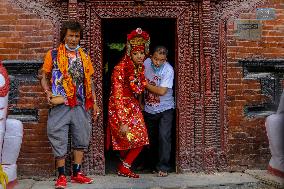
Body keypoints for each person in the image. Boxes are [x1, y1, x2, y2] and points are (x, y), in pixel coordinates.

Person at [40, 20, 99, 189]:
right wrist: (47, 92)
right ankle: (61, 175)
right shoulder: (53, 54)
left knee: (81, 136)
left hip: (81, 102)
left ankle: (77, 173)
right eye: (70, 36)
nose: (73, 39)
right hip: (60, 103)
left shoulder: (84, 56)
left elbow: (90, 80)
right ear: (64, 36)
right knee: (58, 136)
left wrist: (94, 102)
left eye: (76, 36)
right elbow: (44, 75)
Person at [107, 28, 150, 178]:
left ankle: (124, 167)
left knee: (141, 137)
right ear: (129, 53)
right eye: (135, 53)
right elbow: (117, 95)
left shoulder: (140, 68)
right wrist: (123, 121)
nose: (139, 56)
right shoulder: (119, 69)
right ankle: (123, 167)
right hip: (119, 107)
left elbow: (139, 89)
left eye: (142, 53)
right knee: (125, 138)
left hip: (132, 105)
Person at [143, 46, 175, 177]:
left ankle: (163, 166)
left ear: (165, 59)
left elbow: (162, 91)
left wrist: (144, 84)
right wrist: (140, 102)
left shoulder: (168, 70)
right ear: (151, 56)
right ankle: (151, 165)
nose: (157, 62)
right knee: (149, 138)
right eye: (155, 59)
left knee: (164, 136)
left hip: (165, 108)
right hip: (149, 108)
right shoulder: (145, 63)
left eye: (161, 60)